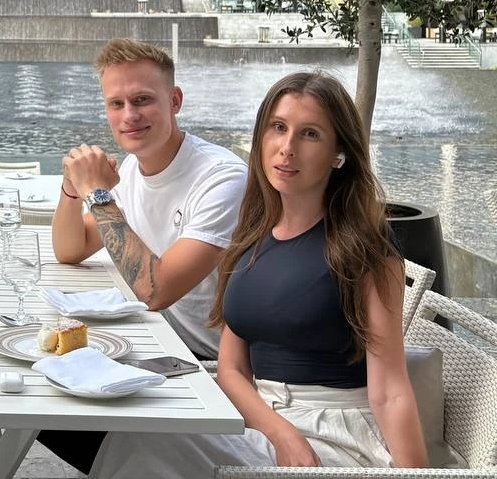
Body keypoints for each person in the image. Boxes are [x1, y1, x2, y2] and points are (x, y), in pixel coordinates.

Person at [87, 72, 427, 476]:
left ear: (340, 153)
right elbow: (231, 369)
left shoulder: (366, 248)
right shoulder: (253, 232)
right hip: (262, 422)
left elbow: (389, 392)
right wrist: (279, 432)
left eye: (310, 135)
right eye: (278, 128)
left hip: (337, 436)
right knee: (140, 433)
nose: (287, 148)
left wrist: (417, 474)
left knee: (149, 448)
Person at [40, 38, 247, 471]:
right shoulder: (134, 168)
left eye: (142, 100)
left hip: (210, 365)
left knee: (54, 403)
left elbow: (156, 290)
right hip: (156, 344)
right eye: (116, 103)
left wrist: (98, 194)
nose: (129, 116)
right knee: (40, 383)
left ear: (175, 101)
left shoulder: (221, 178)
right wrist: (70, 188)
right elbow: (70, 250)